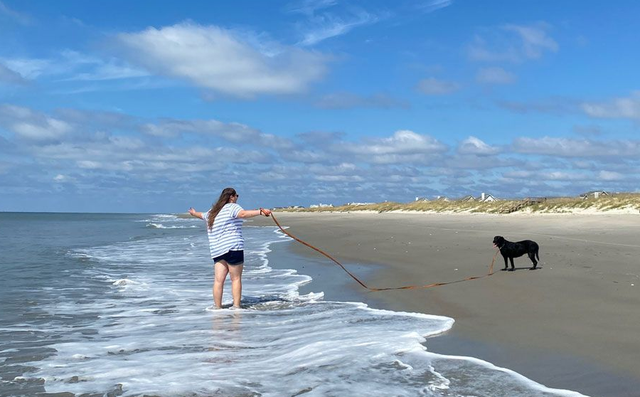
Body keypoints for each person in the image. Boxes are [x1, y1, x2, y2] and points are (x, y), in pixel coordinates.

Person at [189, 187, 271, 309]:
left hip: (217, 250)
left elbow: (202, 215)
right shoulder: (233, 207)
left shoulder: (213, 212)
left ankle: (217, 308)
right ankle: (236, 307)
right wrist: (260, 212)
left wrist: (193, 213)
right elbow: (243, 214)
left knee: (218, 281)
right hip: (233, 247)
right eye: (236, 195)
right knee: (236, 279)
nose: (237, 198)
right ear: (231, 197)